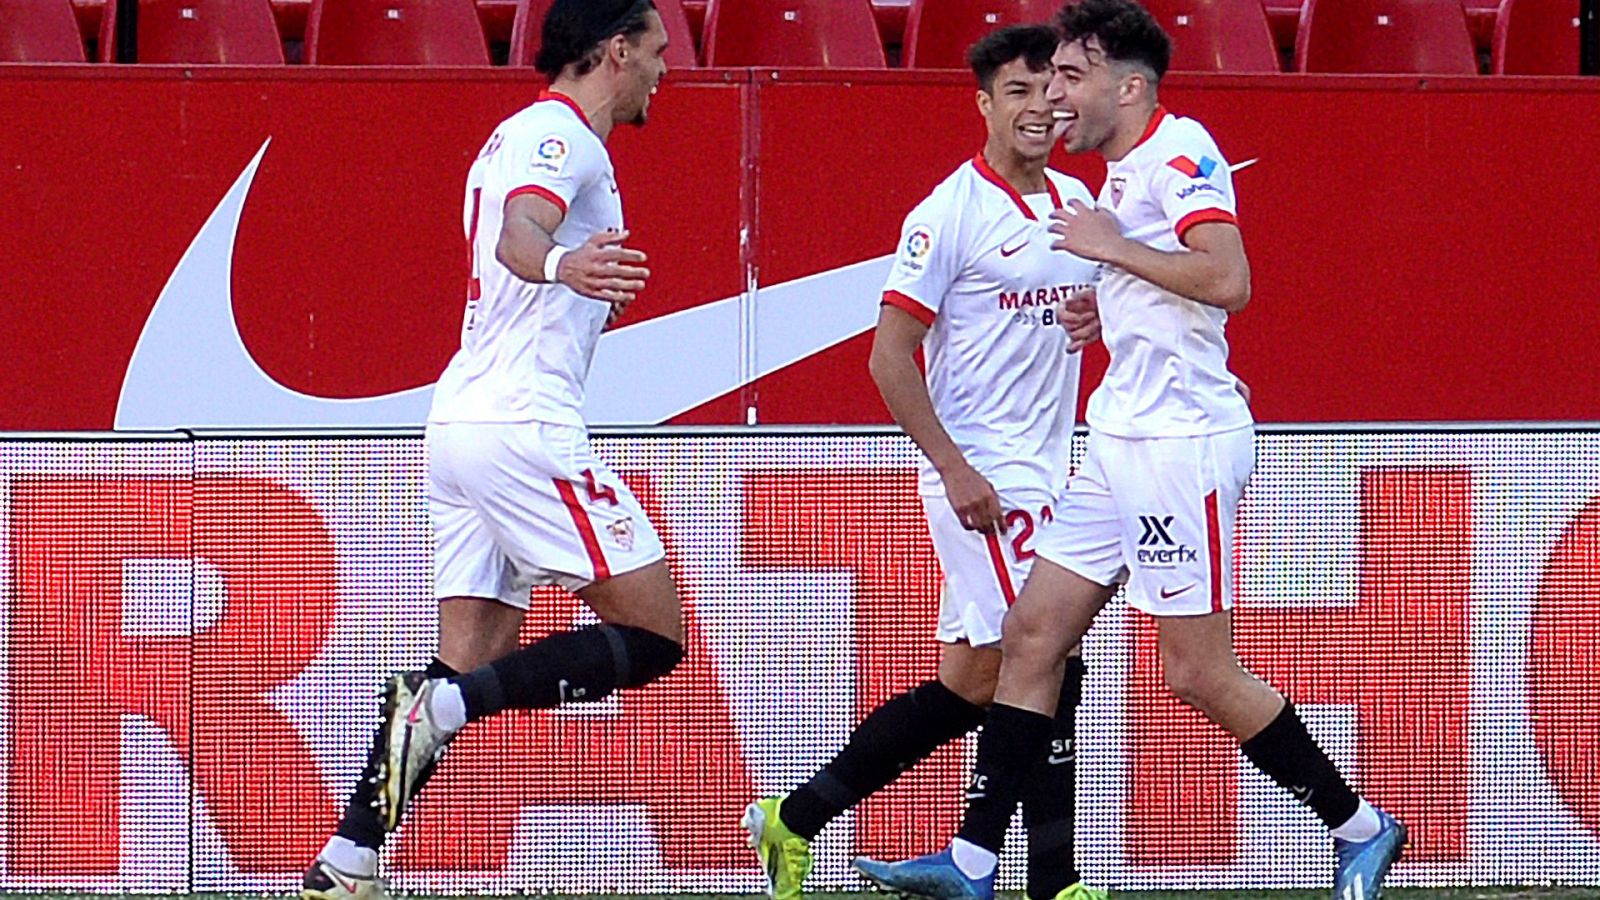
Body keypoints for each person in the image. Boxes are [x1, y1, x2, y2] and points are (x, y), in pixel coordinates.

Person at [851, 3, 1407, 900]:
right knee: (1032, 634)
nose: (1057, 98)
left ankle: (1361, 827)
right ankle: (972, 863)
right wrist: (1105, 302)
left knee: (1196, 670)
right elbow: (1163, 288)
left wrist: (1113, 252)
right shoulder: (1115, 175)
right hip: (1117, 437)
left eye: (1072, 77)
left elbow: (1228, 277)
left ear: (1130, 86)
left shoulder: (1180, 152)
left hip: (1177, 446)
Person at [300, 3, 678, 898]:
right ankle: (447, 707)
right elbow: (519, 234)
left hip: (463, 420)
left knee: (468, 653)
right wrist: (564, 267)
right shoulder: (562, 136)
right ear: (616, 50)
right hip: (522, 424)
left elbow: (522, 240)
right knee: (655, 634)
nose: (666, 70)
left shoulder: (518, 135)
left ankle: (349, 860)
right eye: (658, 51)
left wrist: (578, 286)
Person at [742, 25, 1107, 900]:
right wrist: (952, 468)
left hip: (1047, 468)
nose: (1038, 108)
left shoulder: (1074, 202)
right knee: (1049, 654)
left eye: (1049, 90)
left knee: (974, 682)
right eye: (1016, 92)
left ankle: (794, 817)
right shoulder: (947, 214)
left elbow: (1090, 309)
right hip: (985, 478)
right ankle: (1053, 882)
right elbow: (889, 356)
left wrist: (1099, 316)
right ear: (983, 104)